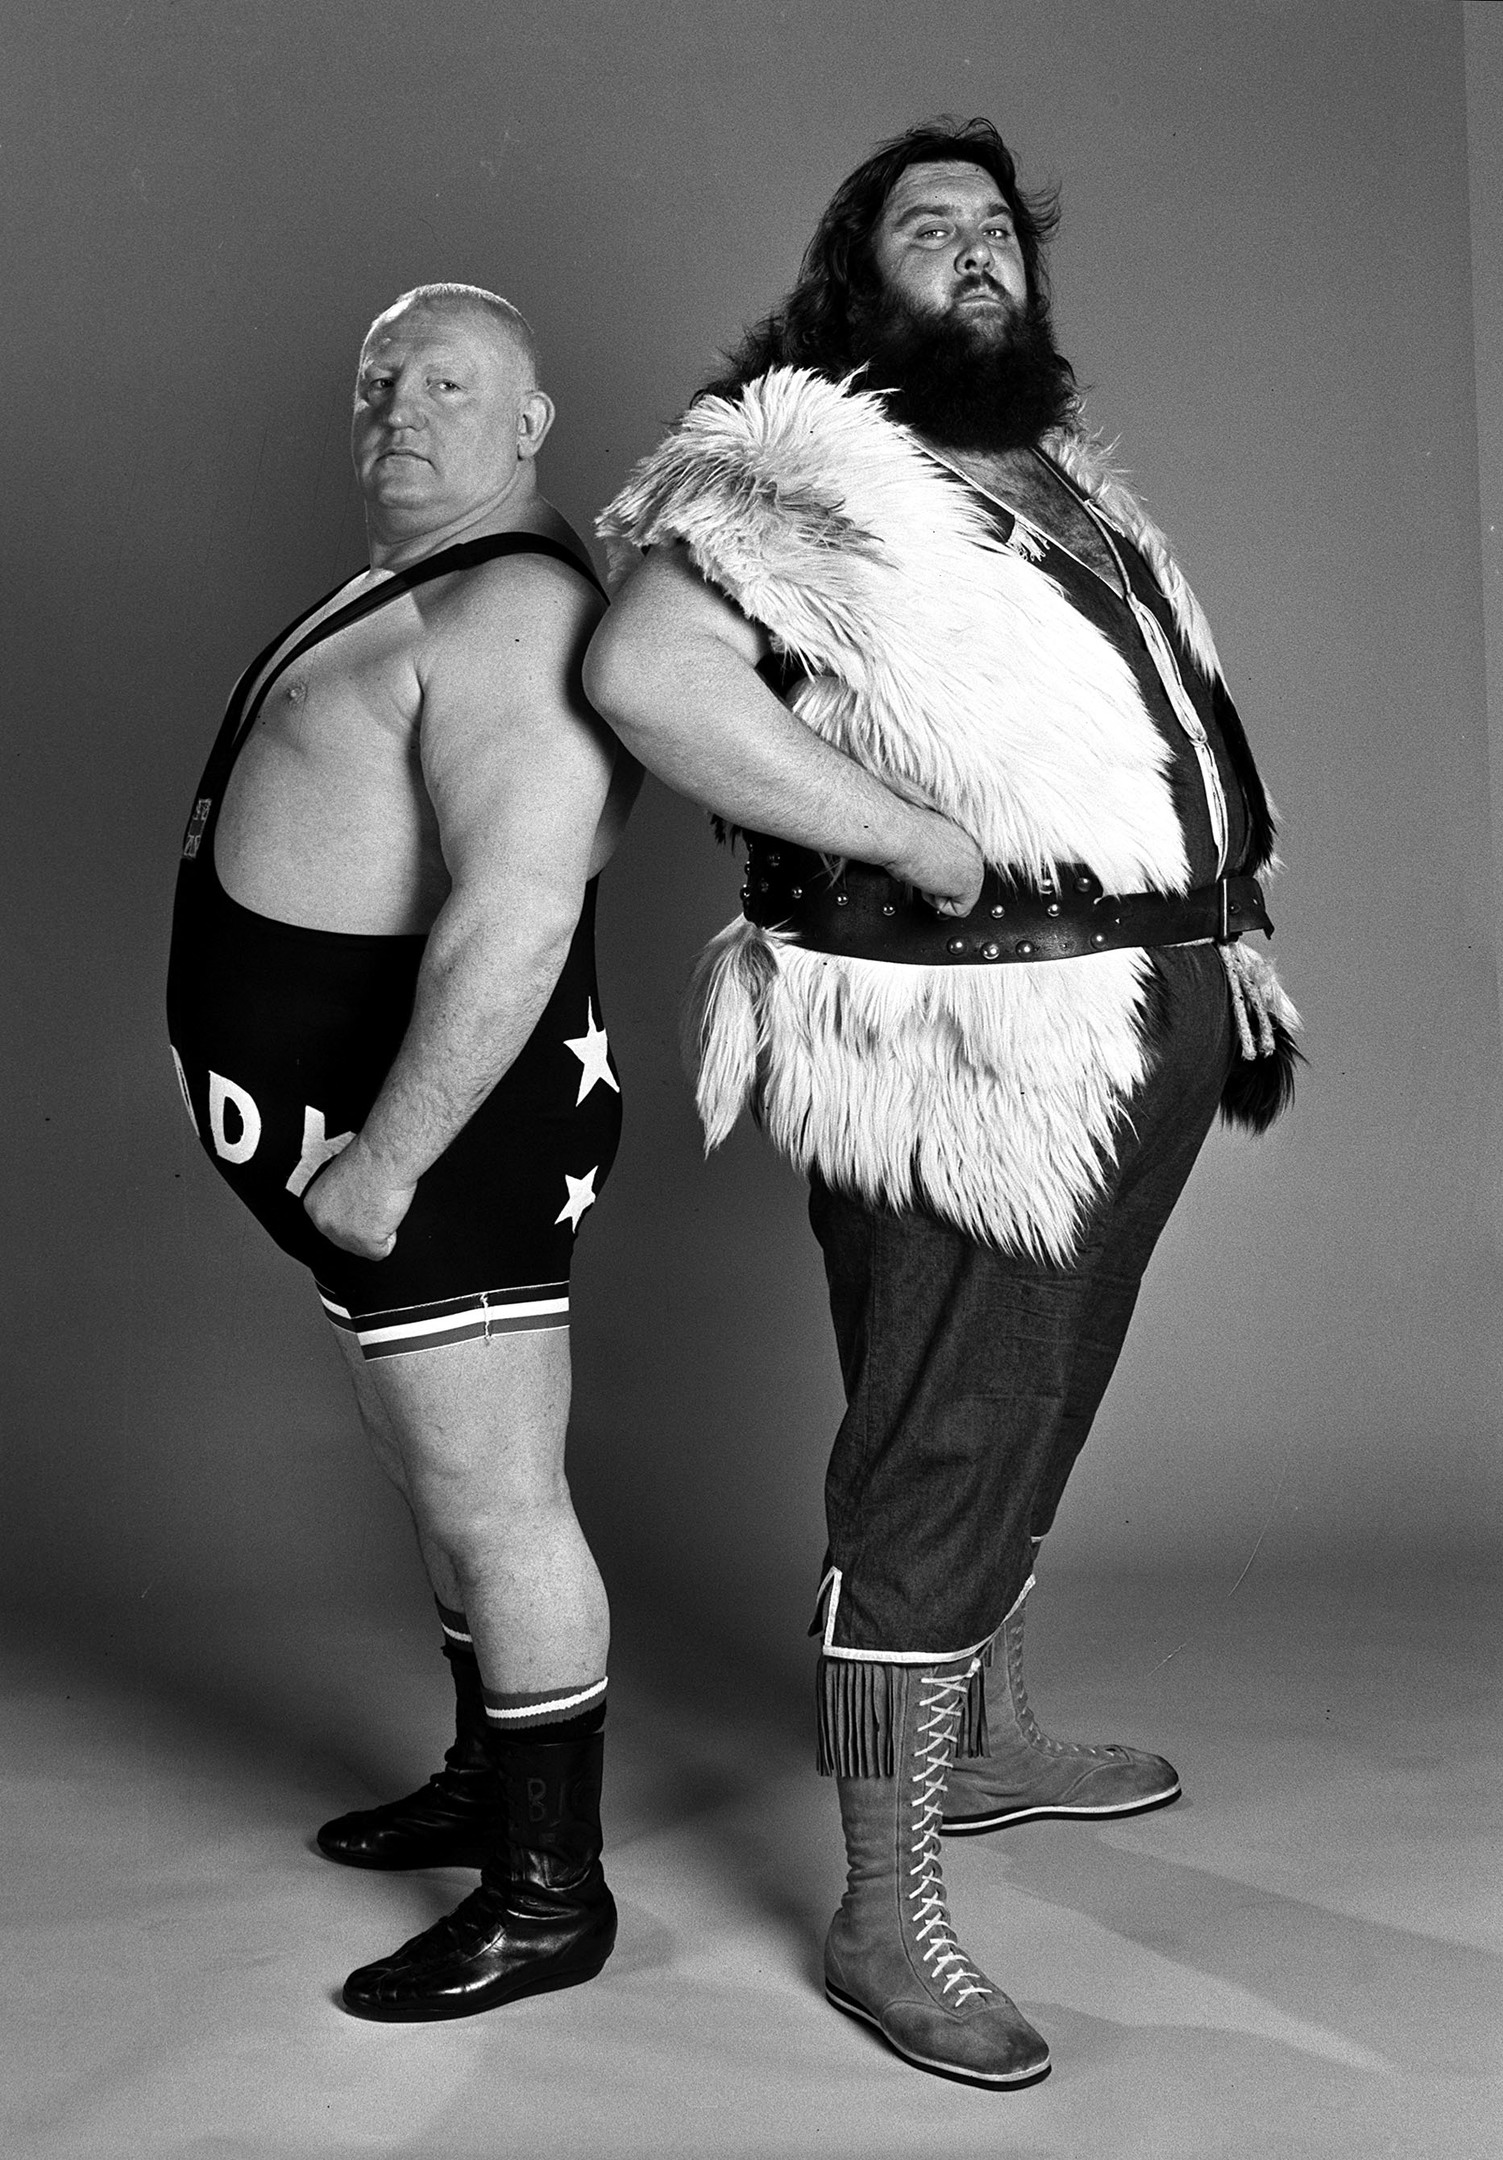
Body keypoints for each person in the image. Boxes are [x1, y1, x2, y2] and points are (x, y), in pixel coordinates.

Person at [586, 120, 1298, 2088]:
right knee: (943, 1426)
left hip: (1127, 1012)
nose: (975, 253)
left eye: (995, 229)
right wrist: (901, 827)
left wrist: (1223, 924)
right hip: (957, 1043)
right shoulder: (796, 455)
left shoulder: (1049, 476)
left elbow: (1153, 729)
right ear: (850, 275)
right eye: (928, 229)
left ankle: (978, 1735)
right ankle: (878, 1905)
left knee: (1037, 1384)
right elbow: (647, 676)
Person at [167, 283, 639, 2022]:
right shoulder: (413, 584)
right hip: (379, 1136)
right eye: (379, 376)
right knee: (443, 1490)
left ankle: (549, 1892)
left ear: (532, 425)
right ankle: (480, 1781)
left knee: (499, 1500)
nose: (401, 405)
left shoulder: (512, 613)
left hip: (445, 1133)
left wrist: (383, 1160)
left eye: (450, 381)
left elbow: (517, 913)